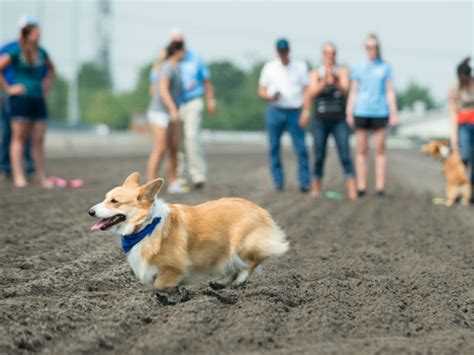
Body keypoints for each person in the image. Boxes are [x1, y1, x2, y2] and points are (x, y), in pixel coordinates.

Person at [0, 16, 55, 188]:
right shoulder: (16, 51)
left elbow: (51, 69)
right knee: (19, 138)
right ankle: (19, 176)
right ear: (27, 34)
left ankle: (41, 177)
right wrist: (8, 89)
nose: (38, 36)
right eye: (35, 33)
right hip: (20, 100)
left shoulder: (42, 52)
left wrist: (46, 86)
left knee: (38, 139)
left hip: (38, 99)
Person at [302, 42, 357, 200]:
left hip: (339, 120)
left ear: (335, 55)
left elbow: (347, 90)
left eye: (332, 53)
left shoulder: (342, 71)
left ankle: (352, 189)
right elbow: (311, 93)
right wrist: (324, 82)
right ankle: (316, 188)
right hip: (320, 119)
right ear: (322, 54)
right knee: (319, 154)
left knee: (345, 153)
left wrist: (336, 82)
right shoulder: (315, 73)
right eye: (326, 53)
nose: (329, 56)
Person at [346, 33, 398, 197]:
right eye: (368, 47)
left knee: (380, 150)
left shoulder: (385, 67)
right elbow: (353, 91)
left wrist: (393, 112)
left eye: (374, 47)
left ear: (378, 48)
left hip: (380, 111)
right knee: (362, 149)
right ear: (365, 48)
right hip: (361, 111)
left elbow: (389, 91)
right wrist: (349, 111)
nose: (371, 50)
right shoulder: (359, 68)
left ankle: (380, 187)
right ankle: (361, 186)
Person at [258, 38, 310, 192]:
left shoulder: (300, 66)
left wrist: (306, 111)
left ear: (289, 50)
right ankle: (278, 181)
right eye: (280, 51)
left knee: (301, 147)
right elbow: (261, 90)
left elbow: (307, 90)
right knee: (274, 147)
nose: (283, 53)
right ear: (277, 52)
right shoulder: (270, 67)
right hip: (275, 110)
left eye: (285, 50)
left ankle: (304, 181)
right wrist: (270, 96)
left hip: (294, 110)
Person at [170, 30, 216, 190]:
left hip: (193, 100)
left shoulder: (195, 58)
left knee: (192, 137)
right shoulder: (168, 60)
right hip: (174, 103)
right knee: (178, 142)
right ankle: (180, 177)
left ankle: (198, 175)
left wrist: (211, 100)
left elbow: (206, 80)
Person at [0, 16, 39, 182]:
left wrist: (42, 88)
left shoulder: (38, 51)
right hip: (13, 98)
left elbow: (45, 71)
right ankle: (5, 168)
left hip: (31, 99)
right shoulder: (11, 49)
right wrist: (7, 89)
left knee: (29, 136)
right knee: (10, 134)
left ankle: (29, 168)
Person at [146, 41, 186, 193]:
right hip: (160, 112)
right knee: (160, 147)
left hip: (170, 111)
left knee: (174, 148)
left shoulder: (176, 68)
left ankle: (173, 182)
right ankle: (150, 183)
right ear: (177, 51)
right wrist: (173, 109)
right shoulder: (167, 67)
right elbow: (163, 91)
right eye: (183, 50)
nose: (185, 53)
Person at [449, 57, 474, 202]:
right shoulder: (454, 89)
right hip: (463, 126)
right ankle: (461, 189)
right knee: (464, 157)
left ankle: (471, 191)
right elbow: (453, 113)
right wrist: (453, 139)